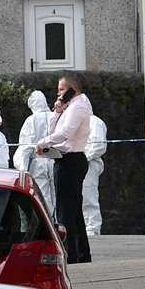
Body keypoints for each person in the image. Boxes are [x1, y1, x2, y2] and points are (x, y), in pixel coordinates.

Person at [37, 72, 93, 264]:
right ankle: (81, 254)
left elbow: (65, 132)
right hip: (65, 159)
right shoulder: (69, 107)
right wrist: (57, 111)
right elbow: (53, 129)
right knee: (73, 211)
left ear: (72, 90)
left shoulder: (78, 107)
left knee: (65, 212)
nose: (58, 94)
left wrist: (43, 143)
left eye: (61, 89)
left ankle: (71, 255)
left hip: (71, 160)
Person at [13, 90, 57, 218]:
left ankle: (46, 226)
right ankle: (59, 226)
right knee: (57, 196)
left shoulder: (31, 120)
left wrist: (23, 170)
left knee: (42, 196)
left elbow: (25, 147)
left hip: (38, 162)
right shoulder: (55, 116)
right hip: (55, 160)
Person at [83, 113, 108, 236]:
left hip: (89, 164)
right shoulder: (73, 119)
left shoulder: (94, 121)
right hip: (77, 162)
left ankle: (92, 227)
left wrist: (85, 157)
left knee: (88, 195)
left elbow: (98, 145)